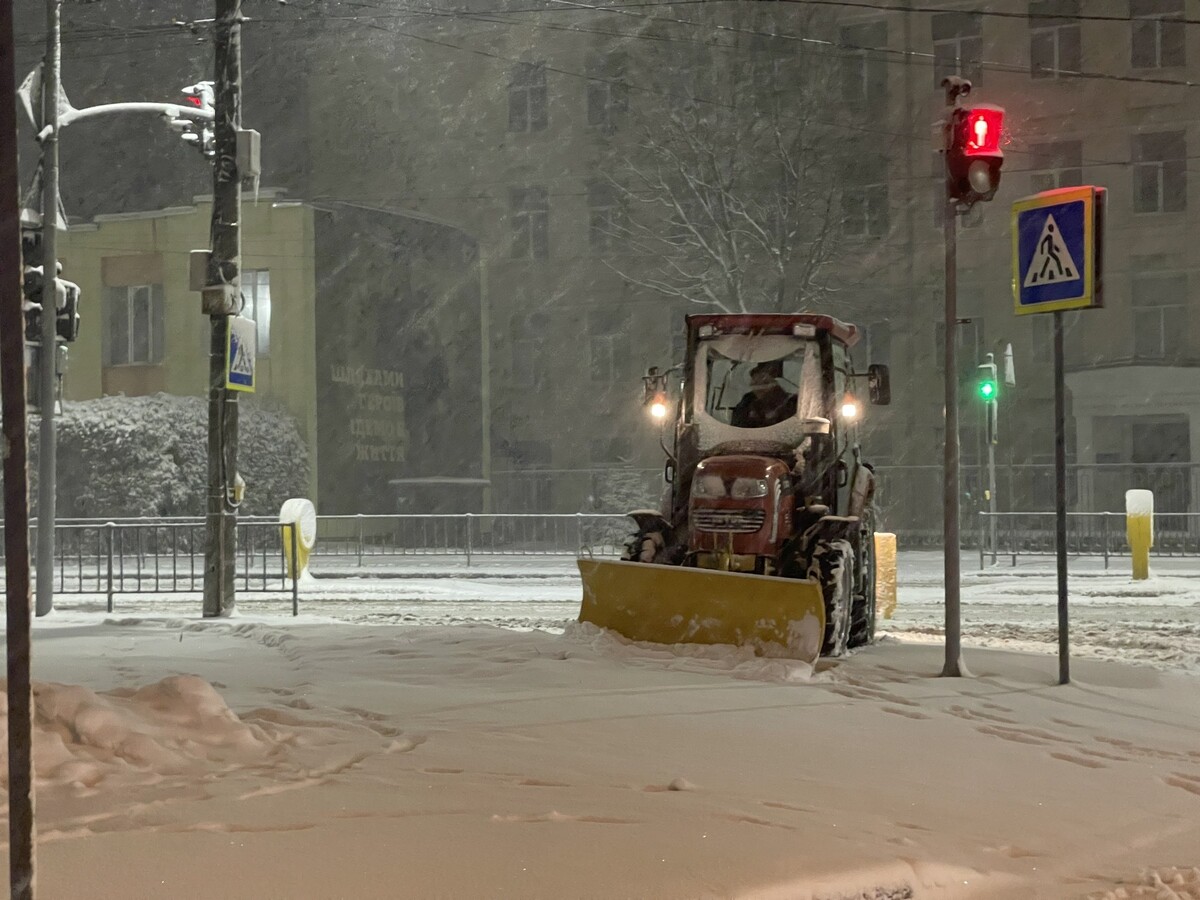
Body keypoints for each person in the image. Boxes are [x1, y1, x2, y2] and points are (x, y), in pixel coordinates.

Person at [731, 361, 796, 428]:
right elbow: (736, 428)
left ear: (775, 381)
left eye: (765, 382)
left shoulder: (792, 403)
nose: (758, 387)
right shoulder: (746, 403)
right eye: (754, 383)